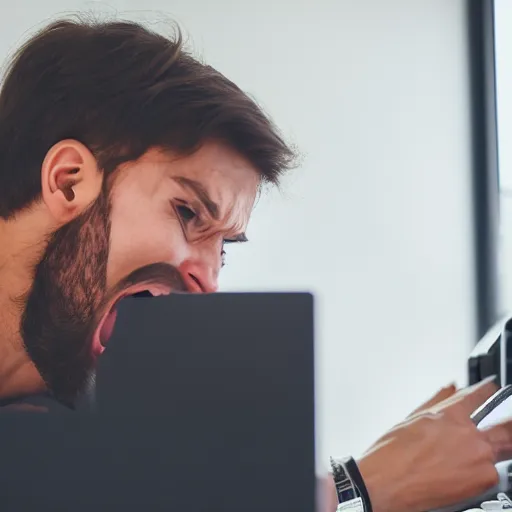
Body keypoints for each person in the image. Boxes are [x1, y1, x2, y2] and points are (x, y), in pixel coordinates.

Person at [0, 15, 510, 512]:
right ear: (69, 181)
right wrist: (361, 486)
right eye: (187, 213)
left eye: (223, 249)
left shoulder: (66, 423)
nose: (208, 282)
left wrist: (390, 472)